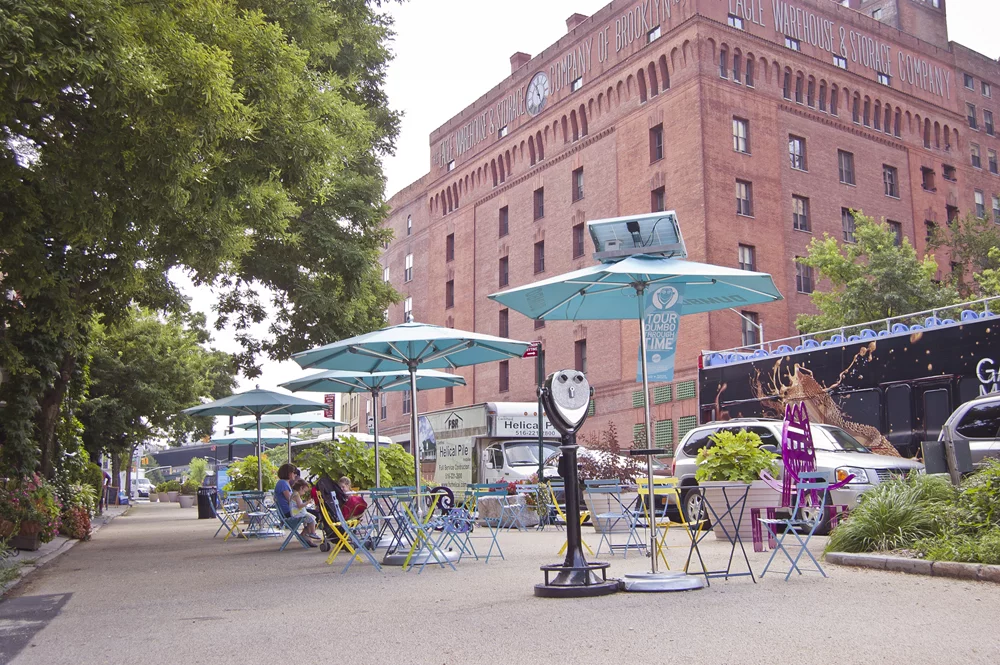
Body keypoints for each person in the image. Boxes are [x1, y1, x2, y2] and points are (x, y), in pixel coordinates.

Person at [274, 464, 319, 545]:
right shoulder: (283, 483)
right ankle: (306, 535)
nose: (295, 475)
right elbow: (290, 500)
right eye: (293, 473)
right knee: (316, 514)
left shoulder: (284, 483)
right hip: (289, 512)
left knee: (313, 514)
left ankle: (306, 535)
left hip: (291, 510)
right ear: (288, 473)